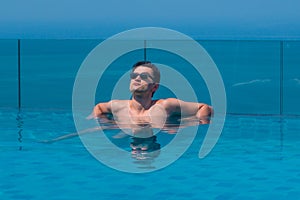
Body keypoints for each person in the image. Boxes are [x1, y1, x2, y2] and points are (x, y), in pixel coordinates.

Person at [89, 61, 213, 126]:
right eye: (134, 75)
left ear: (155, 87)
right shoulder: (117, 106)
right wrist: (103, 122)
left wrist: (187, 123)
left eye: (143, 76)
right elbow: (99, 107)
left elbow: (205, 108)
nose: (137, 79)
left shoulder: (165, 106)